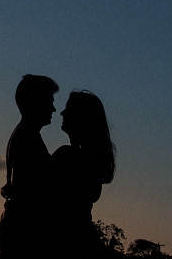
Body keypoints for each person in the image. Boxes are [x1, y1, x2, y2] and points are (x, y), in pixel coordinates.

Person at [0, 74, 59, 257]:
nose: (53, 108)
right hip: (24, 235)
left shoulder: (25, 136)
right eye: (49, 101)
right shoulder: (27, 139)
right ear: (34, 103)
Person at [49, 90, 116, 257]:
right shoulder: (91, 160)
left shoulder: (67, 156)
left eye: (68, 109)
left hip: (66, 243)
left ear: (81, 117)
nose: (62, 112)